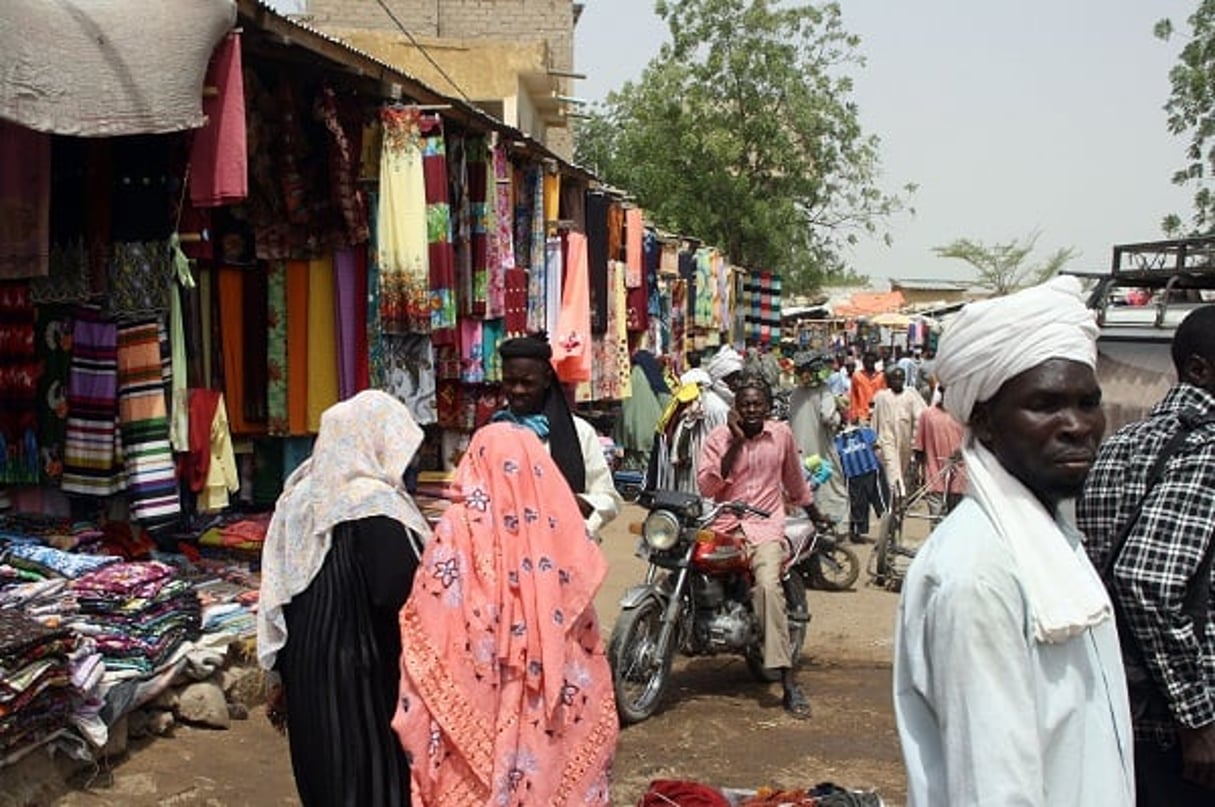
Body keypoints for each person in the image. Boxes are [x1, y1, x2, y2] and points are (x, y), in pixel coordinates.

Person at [893, 276, 1133, 806]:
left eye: (1087, 402)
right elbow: (994, 790)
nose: (1077, 425)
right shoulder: (980, 575)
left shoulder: (1051, 544)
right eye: (1045, 404)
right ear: (984, 420)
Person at [392, 423, 618, 805]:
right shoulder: (559, 533)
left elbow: (430, 621)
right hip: (547, 707)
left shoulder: (457, 527)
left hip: (478, 694)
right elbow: (582, 630)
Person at [257, 390, 432, 807]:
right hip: (360, 671)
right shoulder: (374, 504)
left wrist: (281, 673)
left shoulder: (299, 496)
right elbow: (396, 591)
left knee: (324, 773)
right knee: (370, 777)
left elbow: (280, 588)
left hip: (305, 667)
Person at [1078, 304, 1215, 804]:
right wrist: (1197, 719)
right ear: (1199, 370)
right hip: (1183, 734)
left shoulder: (1121, 443)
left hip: (1120, 704)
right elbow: (1146, 579)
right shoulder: (1207, 450)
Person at [697, 373, 820, 719]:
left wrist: (814, 512)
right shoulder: (718, 438)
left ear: (767, 407)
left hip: (765, 529)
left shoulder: (780, 434)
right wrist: (735, 442)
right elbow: (707, 487)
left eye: (757, 404)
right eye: (745, 404)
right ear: (735, 407)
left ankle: (789, 683)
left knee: (767, 588)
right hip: (725, 526)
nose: (751, 410)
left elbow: (795, 480)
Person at [493, 333, 621, 537]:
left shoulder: (579, 433)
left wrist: (575, 504)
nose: (517, 390)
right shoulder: (492, 433)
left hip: (564, 547)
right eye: (510, 382)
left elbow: (609, 499)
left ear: (546, 380)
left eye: (527, 383)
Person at [649, 344, 745, 493]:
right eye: (732, 379)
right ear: (720, 378)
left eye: (739, 378)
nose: (737, 384)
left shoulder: (705, 396)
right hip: (706, 469)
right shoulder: (718, 408)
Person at [787, 351, 848, 526]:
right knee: (828, 481)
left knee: (801, 483)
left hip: (798, 451)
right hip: (819, 450)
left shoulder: (796, 393)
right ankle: (829, 521)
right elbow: (828, 417)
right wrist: (839, 415)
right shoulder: (824, 391)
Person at [870, 367, 926, 498]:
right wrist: (873, 439)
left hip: (905, 439)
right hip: (886, 438)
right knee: (891, 465)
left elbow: (919, 418)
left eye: (900, 379)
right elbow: (875, 418)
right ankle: (898, 495)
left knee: (901, 467)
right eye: (894, 379)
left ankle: (898, 495)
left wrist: (916, 442)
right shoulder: (882, 397)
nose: (897, 382)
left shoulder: (910, 396)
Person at [912, 385, 967, 518]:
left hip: (959, 473)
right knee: (936, 517)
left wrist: (962, 451)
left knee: (956, 515)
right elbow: (919, 448)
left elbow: (972, 442)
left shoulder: (964, 414)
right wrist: (917, 471)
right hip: (934, 471)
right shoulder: (927, 415)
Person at [617, 349, 671, 469]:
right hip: (650, 434)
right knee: (649, 471)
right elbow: (667, 404)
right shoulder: (653, 377)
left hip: (628, 434)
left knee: (631, 469)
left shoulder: (630, 378)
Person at [834, 423, 888, 544]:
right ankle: (857, 532)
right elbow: (877, 449)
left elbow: (877, 448)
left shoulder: (865, 432)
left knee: (879, 500)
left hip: (871, 471)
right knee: (858, 504)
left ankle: (888, 526)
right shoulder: (838, 440)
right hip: (854, 475)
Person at [849, 351, 885, 424]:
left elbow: (885, 396)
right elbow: (853, 396)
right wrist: (854, 414)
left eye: (871, 362)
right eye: (867, 362)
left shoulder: (881, 377)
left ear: (875, 362)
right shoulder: (857, 376)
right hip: (862, 415)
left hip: (878, 415)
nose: (869, 364)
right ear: (863, 363)